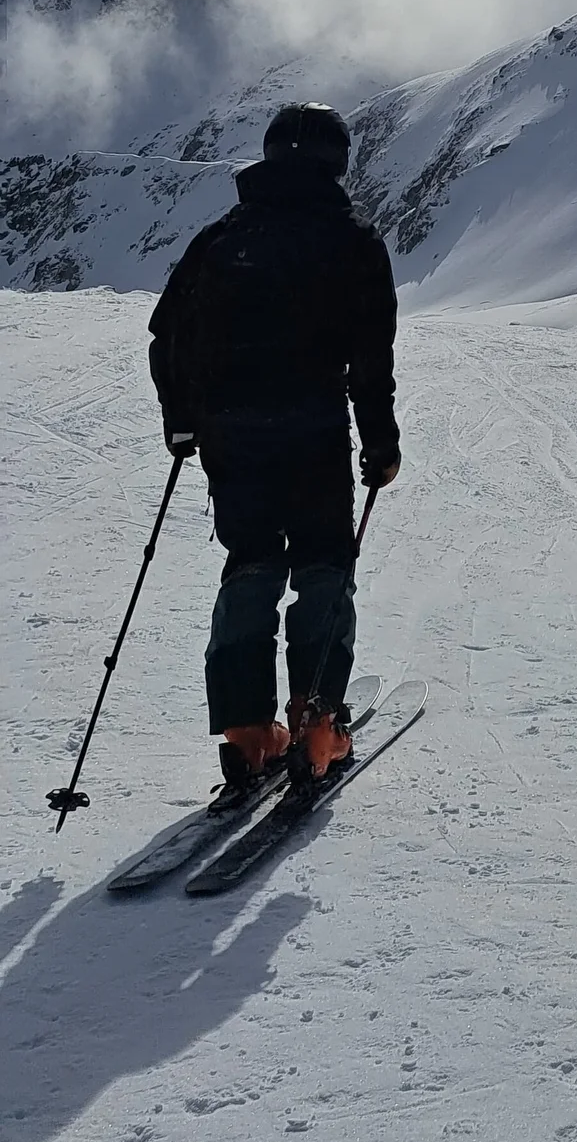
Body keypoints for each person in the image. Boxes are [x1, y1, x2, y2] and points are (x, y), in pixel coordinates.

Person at [148, 102, 401, 795]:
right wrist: (380, 444)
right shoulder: (351, 240)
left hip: (232, 439)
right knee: (323, 565)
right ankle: (318, 728)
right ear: (336, 161)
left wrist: (183, 423)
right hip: (312, 434)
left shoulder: (224, 238)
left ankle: (247, 737)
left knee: (251, 565)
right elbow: (369, 358)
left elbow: (167, 335)